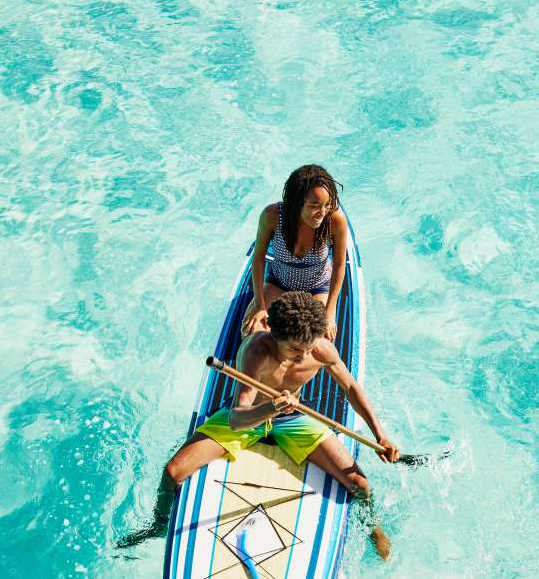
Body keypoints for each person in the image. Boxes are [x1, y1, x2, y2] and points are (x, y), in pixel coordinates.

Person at [120, 291, 401, 558]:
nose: (303, 356)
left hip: (292, 420)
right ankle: (158, 526)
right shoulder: (255, 352)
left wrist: (381, 435)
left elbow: (350, 387)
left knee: (360, 485)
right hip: (252, 417)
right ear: (275, 335)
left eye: (309, 347)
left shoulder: (321, 350)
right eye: (294, 349)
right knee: (173, 472)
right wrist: (270, 407)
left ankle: (373, 530)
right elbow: (237, 417)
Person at [241, 165, 350, 341]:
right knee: (252, 334)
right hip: (279, 283)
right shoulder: (272, 216)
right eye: (314, 205)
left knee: (319, 343)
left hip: (317, 288)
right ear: (295, 202)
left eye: (327, 205)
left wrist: (330, 313)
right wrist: (260, 304)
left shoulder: (335, 220)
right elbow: (259, 258)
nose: (322, 213)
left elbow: (339, 265)